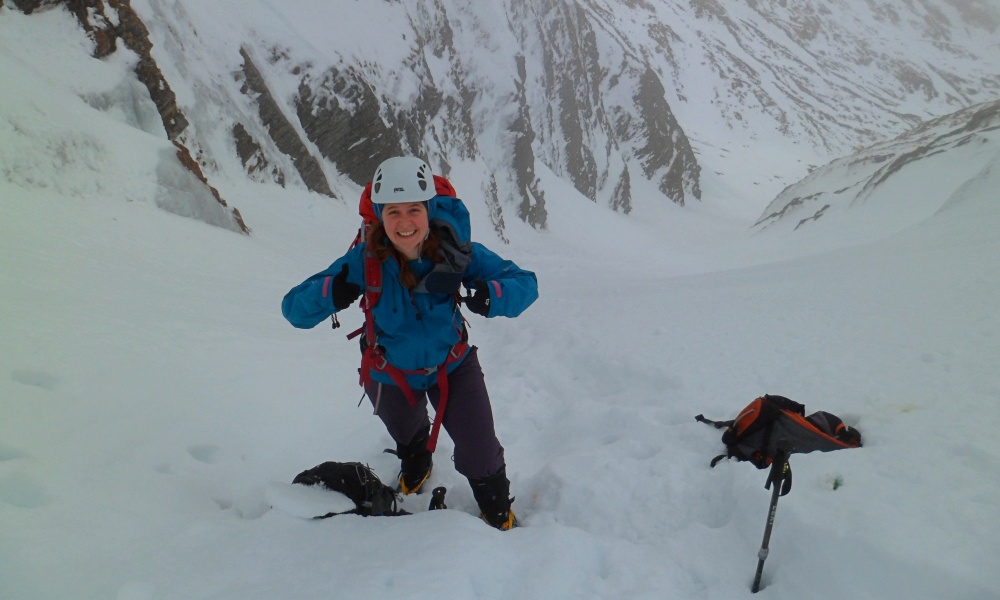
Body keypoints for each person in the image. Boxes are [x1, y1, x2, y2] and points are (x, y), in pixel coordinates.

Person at [281, 156, 538, 530]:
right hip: (389, 371)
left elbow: (524, 282)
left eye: (414, 210)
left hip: (453, 367)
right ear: (380, 216)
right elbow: (294, 309)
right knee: (408, 435)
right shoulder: (365, 259)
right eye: (394, 212)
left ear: (429, 210)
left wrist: (491, 294)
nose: (404, 223)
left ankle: (497, 509)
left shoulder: (457, 251)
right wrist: (332, 291)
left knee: (482, 453)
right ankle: (417, 461)